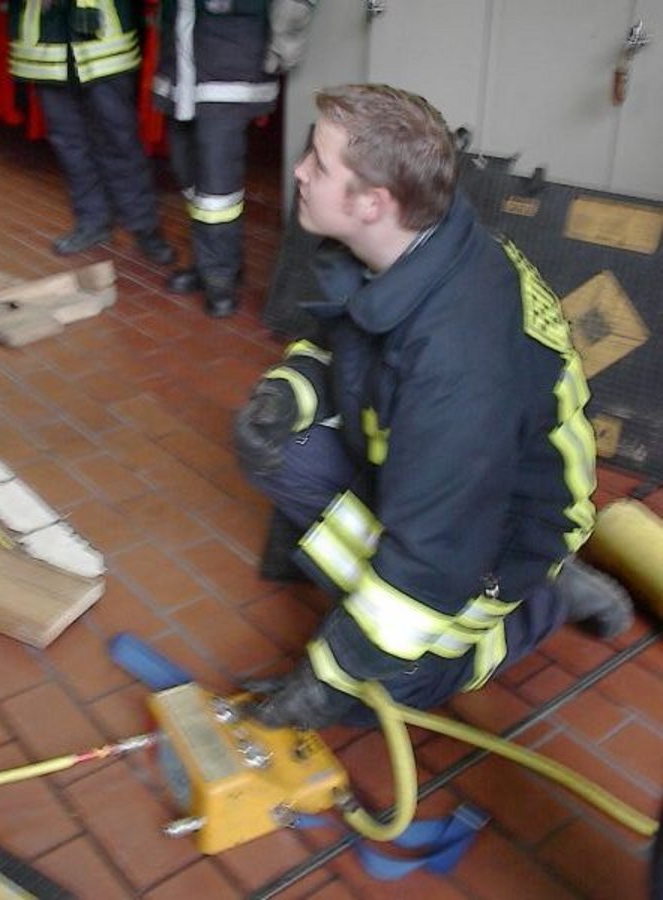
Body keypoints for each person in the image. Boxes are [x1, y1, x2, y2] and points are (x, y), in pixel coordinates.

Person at [233, 83, 634, 729]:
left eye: (319, 163)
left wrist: (331, 677)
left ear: (373, 202)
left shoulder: (457, 366)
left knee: (389, 683)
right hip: (436, 468)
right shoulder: (412, 249)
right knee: (279, 444)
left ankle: (543, 600)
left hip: (510, 522)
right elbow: (349, 343)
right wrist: (290, 392)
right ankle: (396, 592)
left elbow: (434, 558)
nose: (300, 171)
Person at [154, 0, 318, 317]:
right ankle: (210, 262)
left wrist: (286, 35)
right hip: (182, 65)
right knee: (188, 173)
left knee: (217, 187)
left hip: (229, 65)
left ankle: (220, 278)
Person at [8, 0, 174, 263]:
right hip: (47, 41)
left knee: (119, 139)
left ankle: (144, 226)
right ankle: (92, 221)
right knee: (69, 142)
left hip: (102, 38)